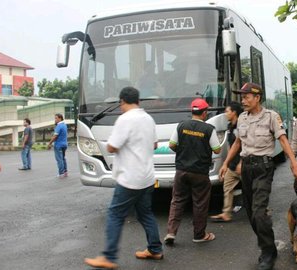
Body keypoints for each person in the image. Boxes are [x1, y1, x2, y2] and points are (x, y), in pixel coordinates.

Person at [219, 82, 297, 270]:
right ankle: (269, 246)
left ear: (257, 97)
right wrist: (225, 163)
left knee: (258, 212)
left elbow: (283, 139)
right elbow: (238, 143)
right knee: (251, 213)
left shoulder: (271, 117)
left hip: (263, 168)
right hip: (247, 168)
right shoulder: (241, 118)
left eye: (247, 96)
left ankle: (267, 253)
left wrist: (294, 163)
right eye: (242, 97)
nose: (244, 100)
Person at [85, 87, 163, 269]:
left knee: (114, 214)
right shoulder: (148, 119)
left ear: (121, 101)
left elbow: (112, 147)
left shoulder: (125, 119)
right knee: (145, 214)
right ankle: (155, 249)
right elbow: (155, 144)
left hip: (130, 178)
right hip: (147, 177)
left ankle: (108, 257)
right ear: (138, 100)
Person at [165, 98, 221, 245]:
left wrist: (184, 151)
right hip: (200, 172)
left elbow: (172, 145)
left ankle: (171, 232)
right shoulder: (209, 129)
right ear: (205, 113)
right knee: (200, 203)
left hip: (181, 170)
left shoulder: (181, 125)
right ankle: (199, 235)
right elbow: (217, 149)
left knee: (177, 201)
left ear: (192, 111)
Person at [210, 102, 243, 222]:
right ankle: (226, 213)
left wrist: (241, 162)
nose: (225, 113)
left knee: (252, 190)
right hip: (233, 165)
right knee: (227, 187)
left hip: (243, 164)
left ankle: (262, 211)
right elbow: (231, 146)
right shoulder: (230, 126)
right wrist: (226, 164)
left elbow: (245, 145)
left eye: (227, 111)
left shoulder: (242, 125)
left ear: (234, 112)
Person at [47, 113, 68, 178]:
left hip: (58, 145)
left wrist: (49, 143)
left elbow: (55, 136)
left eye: (56, 118)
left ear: (60, 118)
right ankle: (65, 172)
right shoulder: (64, 125)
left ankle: (61, 173)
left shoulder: (59, 126)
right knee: (63, 158)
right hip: (64, 144)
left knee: (59, 159)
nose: (55, 119)